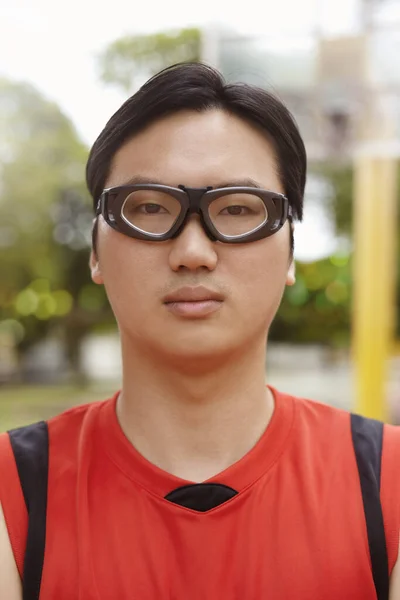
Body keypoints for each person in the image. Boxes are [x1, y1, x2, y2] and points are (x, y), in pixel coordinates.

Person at [0, 62, 399, 600]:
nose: (193, 252)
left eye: (237, 209)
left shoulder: (388, 483)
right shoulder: (14, 493)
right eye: (147, 208)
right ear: (96, 249)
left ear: (290, 251)